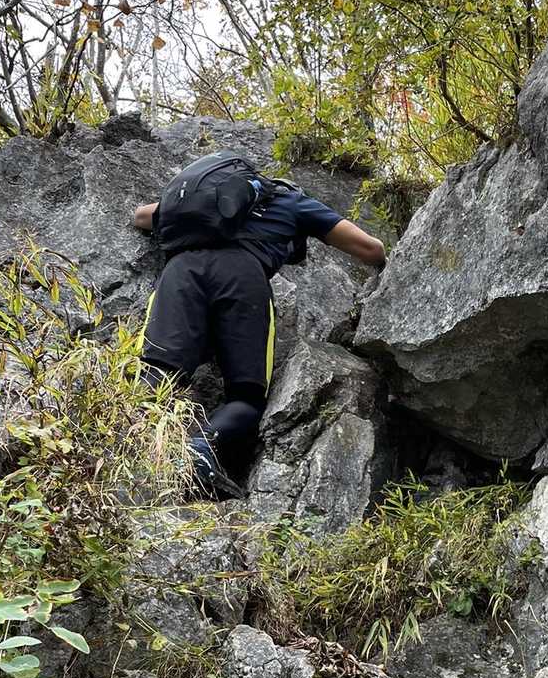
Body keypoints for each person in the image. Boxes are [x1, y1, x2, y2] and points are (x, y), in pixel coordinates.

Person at [133, 158, 387, 499]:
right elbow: (370, 248)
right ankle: (197, 450)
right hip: (242, 277)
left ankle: (128, 452)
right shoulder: (292, 200)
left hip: (181, 272)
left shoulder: (204, 197)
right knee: (247, 397)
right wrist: (387, 266)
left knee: (158, 374)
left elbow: (141, 217)